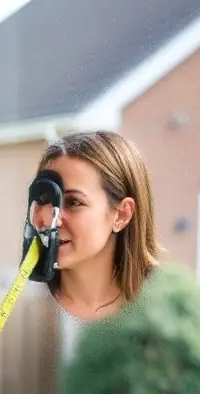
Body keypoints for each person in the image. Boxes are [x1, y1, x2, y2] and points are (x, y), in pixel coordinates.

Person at [31, 129, 161, 323]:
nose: (49, 219)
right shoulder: (28, 300)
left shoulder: (167, 309)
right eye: (42, 199)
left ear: (122, 214)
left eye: (73, 202)